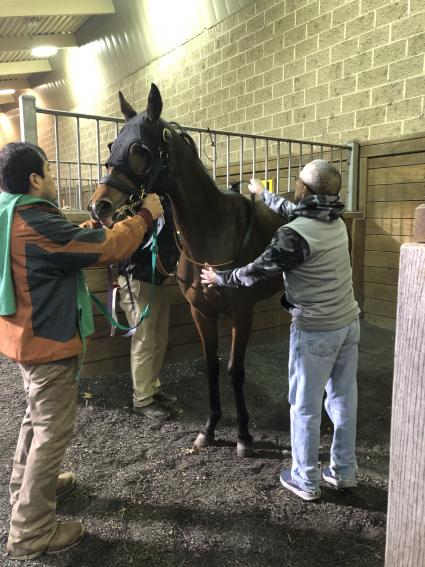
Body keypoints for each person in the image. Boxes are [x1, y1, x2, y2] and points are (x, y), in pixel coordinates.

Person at [0, 141, 163, 560]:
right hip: (48, 340)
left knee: (36, 420)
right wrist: (147, 215)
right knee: (52, 432)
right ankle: (30, 532)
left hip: (24, 335)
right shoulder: (32, 220)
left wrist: (92, 227)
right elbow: (106, 249)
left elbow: (67, 243)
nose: (52, 177)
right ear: (34, 179)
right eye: (49, 171)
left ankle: (30, 488)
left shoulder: (8, 210)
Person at [201, 160, 360, 502]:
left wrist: (219, 278)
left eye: (298, 183)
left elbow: (256, 272)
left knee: (303, 405)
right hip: (349, 322)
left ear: (304, 189)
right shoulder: (334, 219)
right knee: (343, 399)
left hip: (315, 330)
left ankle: (305, 478)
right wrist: (263, 195)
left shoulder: (293, 235)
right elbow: (294, 211)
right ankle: (344, 471)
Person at [117, 199, 179, 420]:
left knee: (159, 338)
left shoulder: (163, 205)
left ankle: (152, 387)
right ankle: (141, 400)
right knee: (144, 340)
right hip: (137, 279)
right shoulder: (131, 206)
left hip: (157, 280)